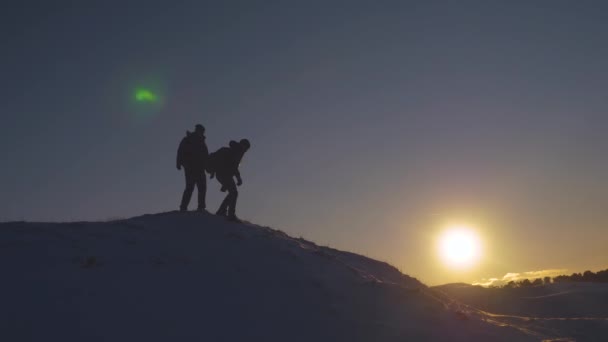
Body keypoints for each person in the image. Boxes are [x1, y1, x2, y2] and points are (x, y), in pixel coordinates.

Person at [208, 139, 251, 221]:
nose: (246, 150)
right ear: (243, 145)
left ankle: (222, 210)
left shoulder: (236, 150)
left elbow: (233, 166)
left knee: (232, 193)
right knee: (234, 193)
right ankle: (230, 214)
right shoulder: (237, 151)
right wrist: (238, 178)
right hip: (223, 174)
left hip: (223, 174)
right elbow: (234, 167)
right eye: (246, 148)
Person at [176, 124, 209, 212]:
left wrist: (209, 169)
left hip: (200, 168)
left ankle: (201, 207)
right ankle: (183, 207)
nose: (201, 132)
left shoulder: (202, 142)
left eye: (202, 131)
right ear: (196, 130)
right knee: (190, 187)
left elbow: (206, 156)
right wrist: (178, 163)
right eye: (200, 130)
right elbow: (180, 150)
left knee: (202, 187)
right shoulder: (188, 139)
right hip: (190, 167)